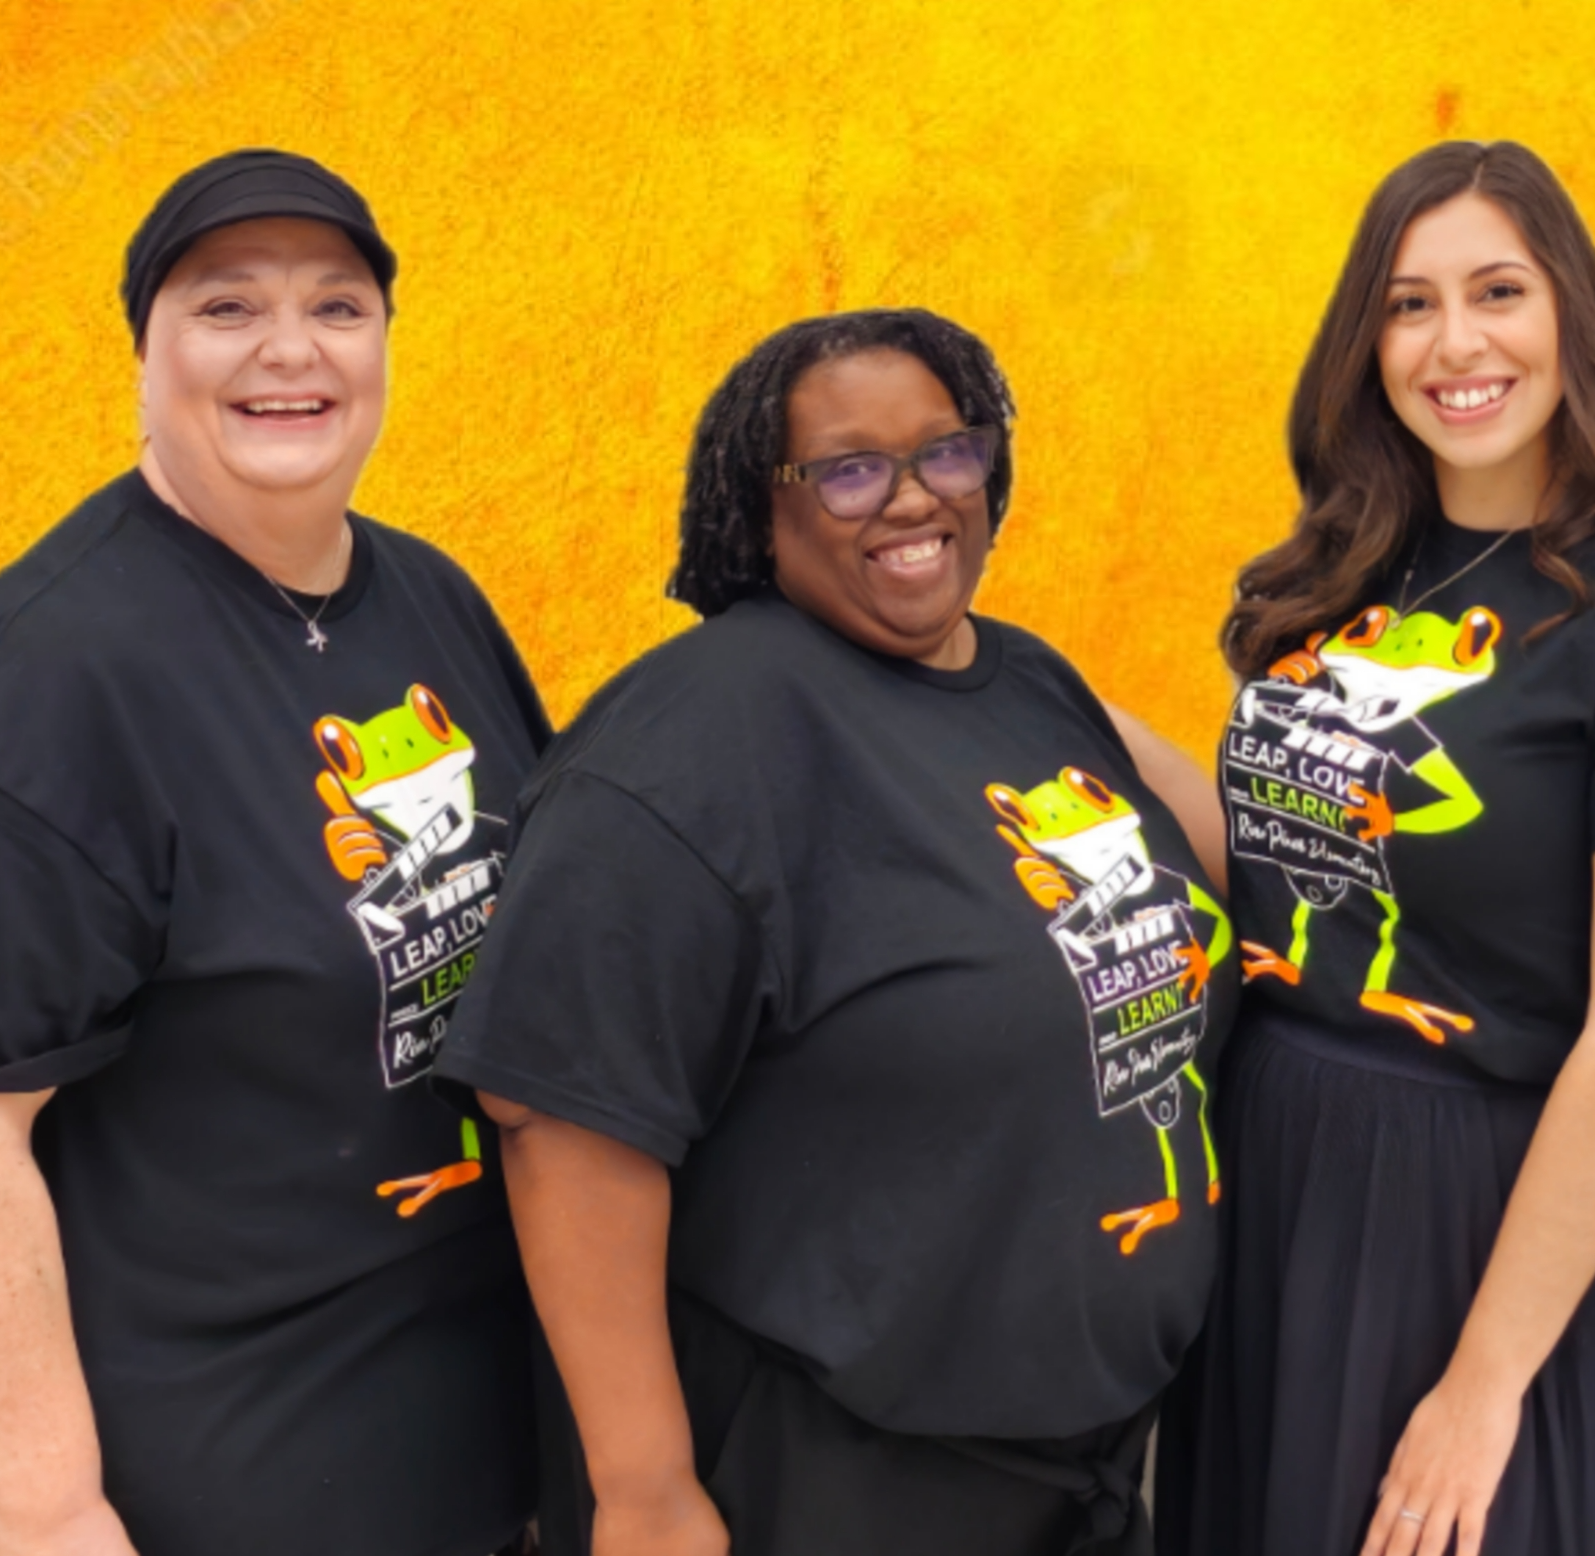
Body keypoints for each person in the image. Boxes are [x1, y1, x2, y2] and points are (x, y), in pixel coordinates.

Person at [0, 150, 548, 1556]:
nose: (290, 349)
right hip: (178, 1485)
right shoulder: (47, 681)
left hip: (440, 1447)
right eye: (226, 308)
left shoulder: (431, 600)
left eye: (337, 307)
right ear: (142, 351)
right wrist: (53, 1522)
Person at [439, 307, 1230, 1556]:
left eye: (947, 452)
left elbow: (1206, 884)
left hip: (1072, 1464)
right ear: (759, 508)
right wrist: (645, 1491)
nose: (913, 500)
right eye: (851, 469)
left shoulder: (1025, 683)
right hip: (826, 1471)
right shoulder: (695, 745)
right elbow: (561, 1125)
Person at [1162, 141, 1595, 1556]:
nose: (1456, 342)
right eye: (1408, 303)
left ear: (1573, 315)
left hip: (1492, 1221)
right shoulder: (1345, 570)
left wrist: (1485, 1383)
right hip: (1283, 1182)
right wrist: (1017, 694)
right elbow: (1289, 871)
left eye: (1497, 289)